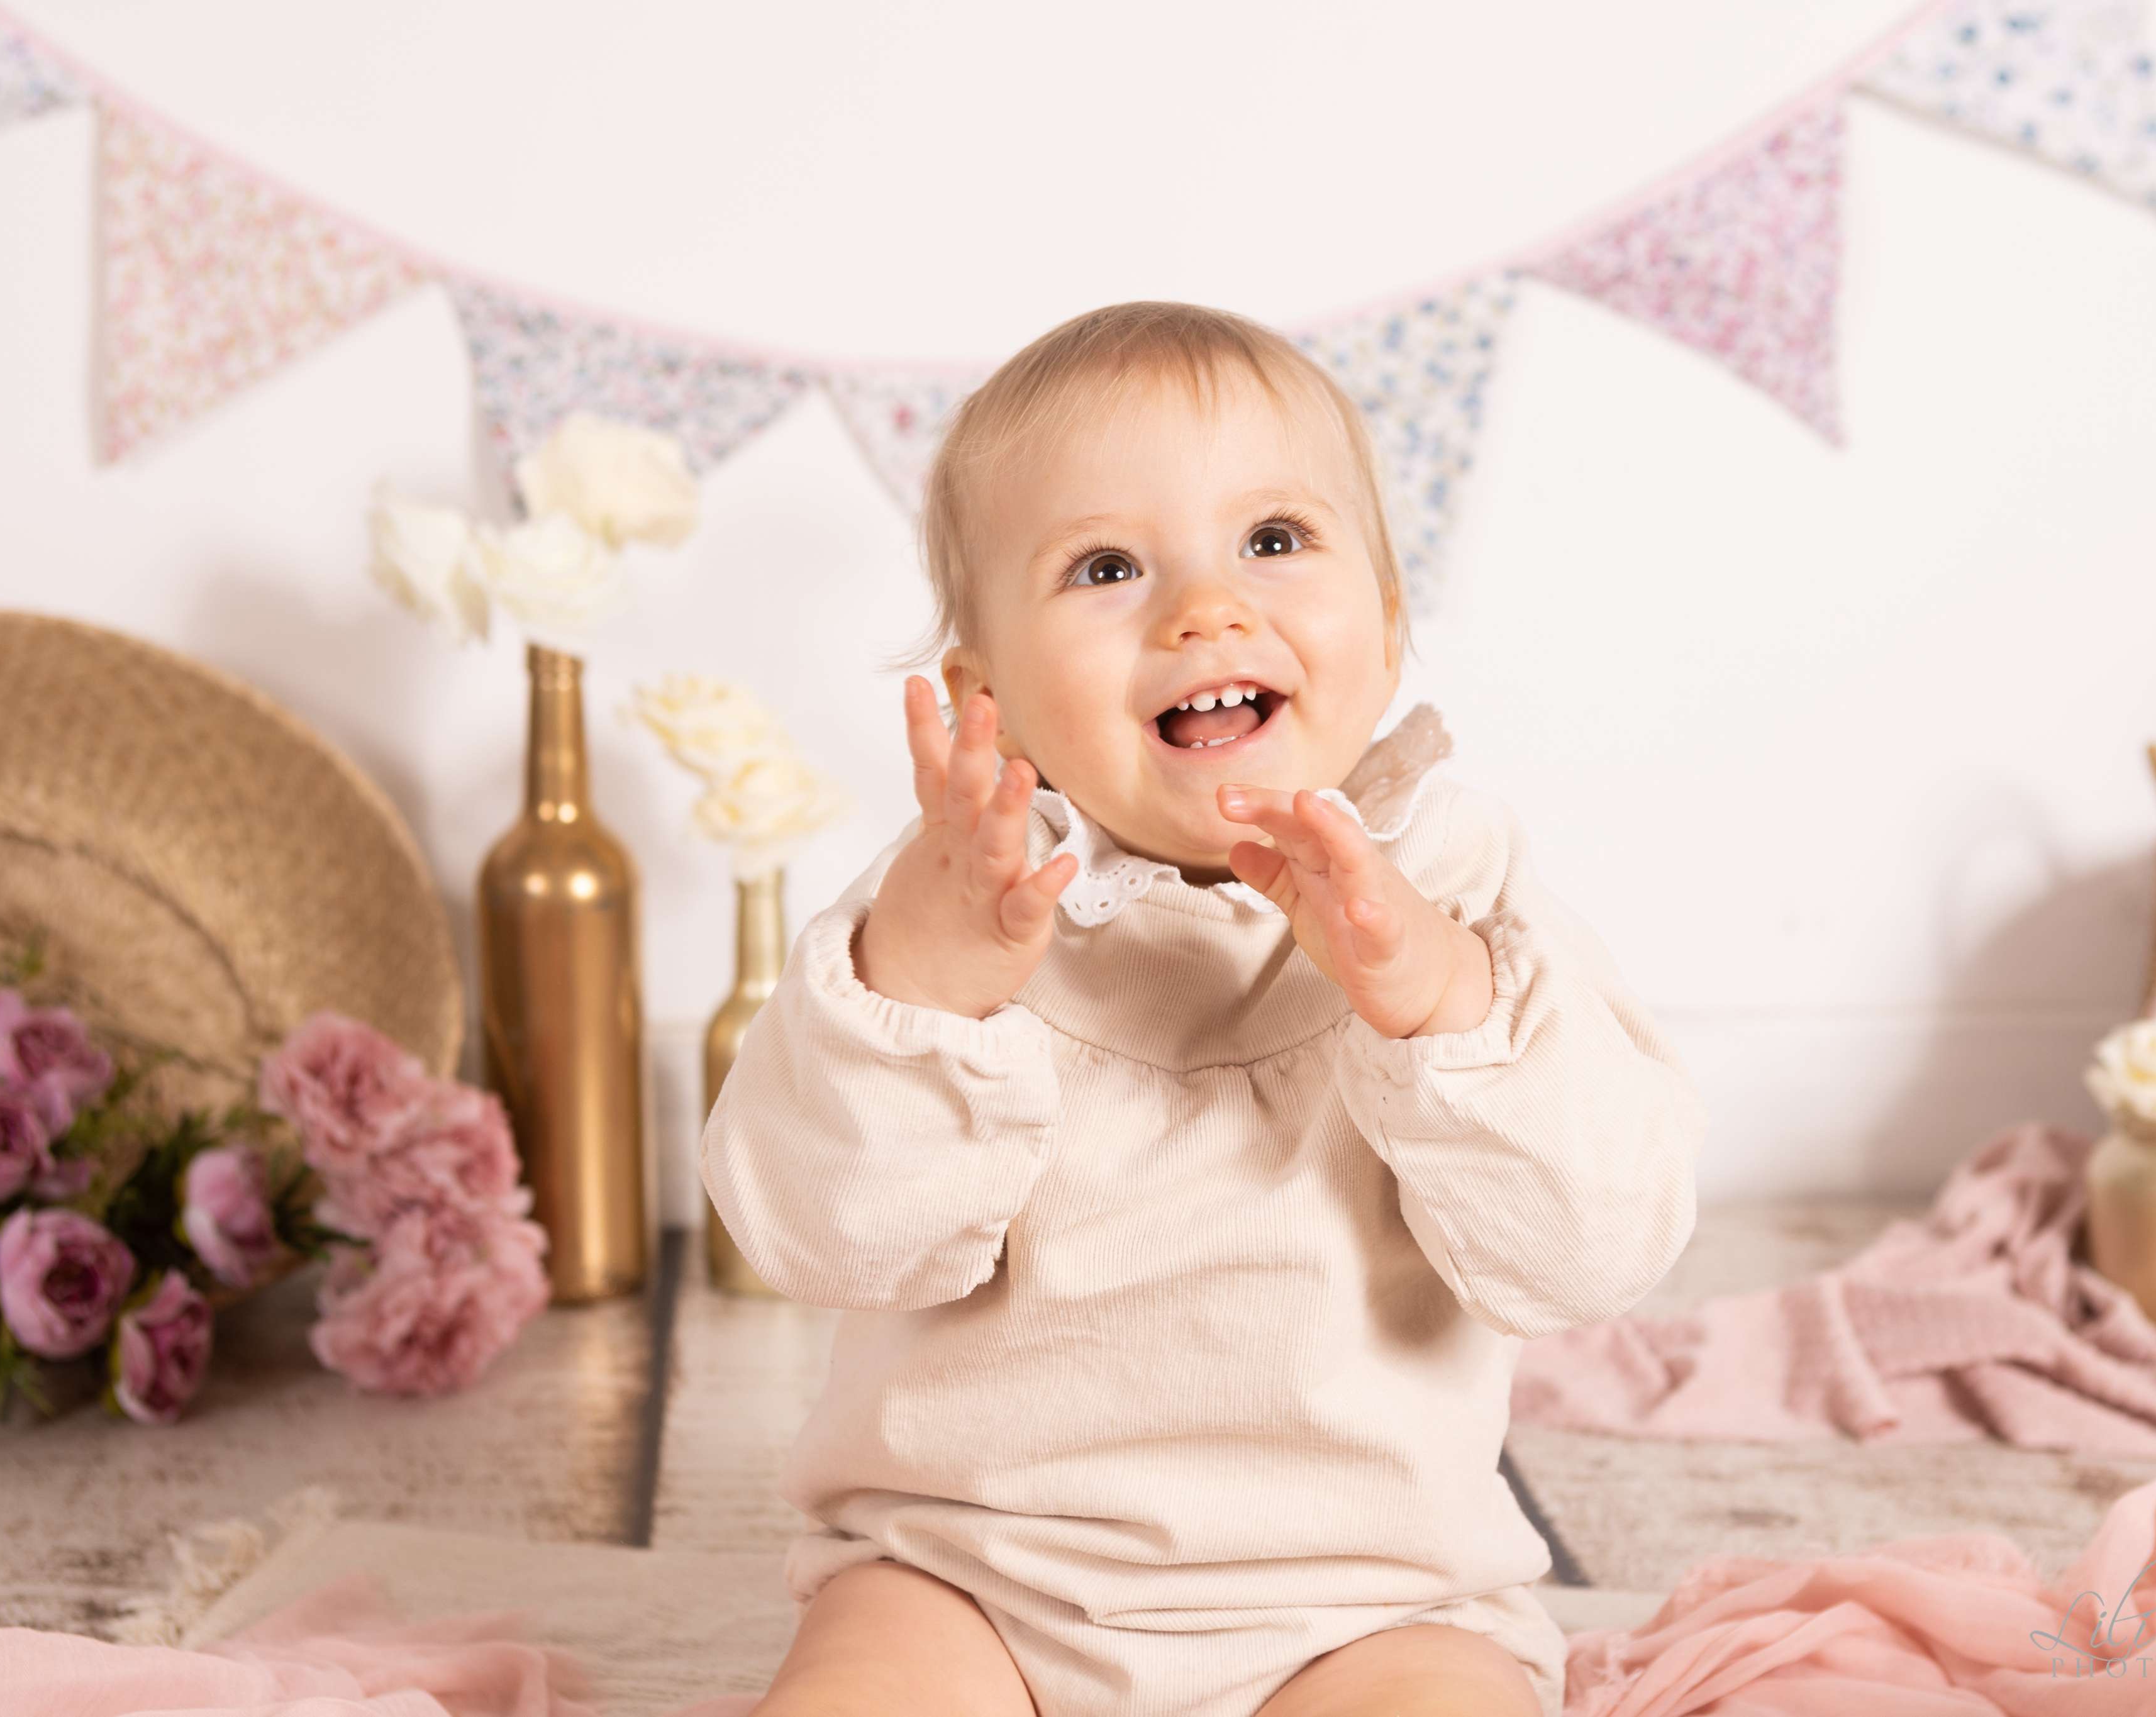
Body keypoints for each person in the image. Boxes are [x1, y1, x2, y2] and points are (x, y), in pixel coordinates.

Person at [701, 299, 1706, 1717]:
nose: (1205, 609)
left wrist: (1435, 999)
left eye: (1274, 540)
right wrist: (922, 991)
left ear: (1388, 621)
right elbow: (823, 1239)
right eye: (1106, 567)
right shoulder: (953, 906)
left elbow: (1593, 1251)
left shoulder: (1460, 893)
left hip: (1370, 1605)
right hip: (970, 1577)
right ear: (987, 694)